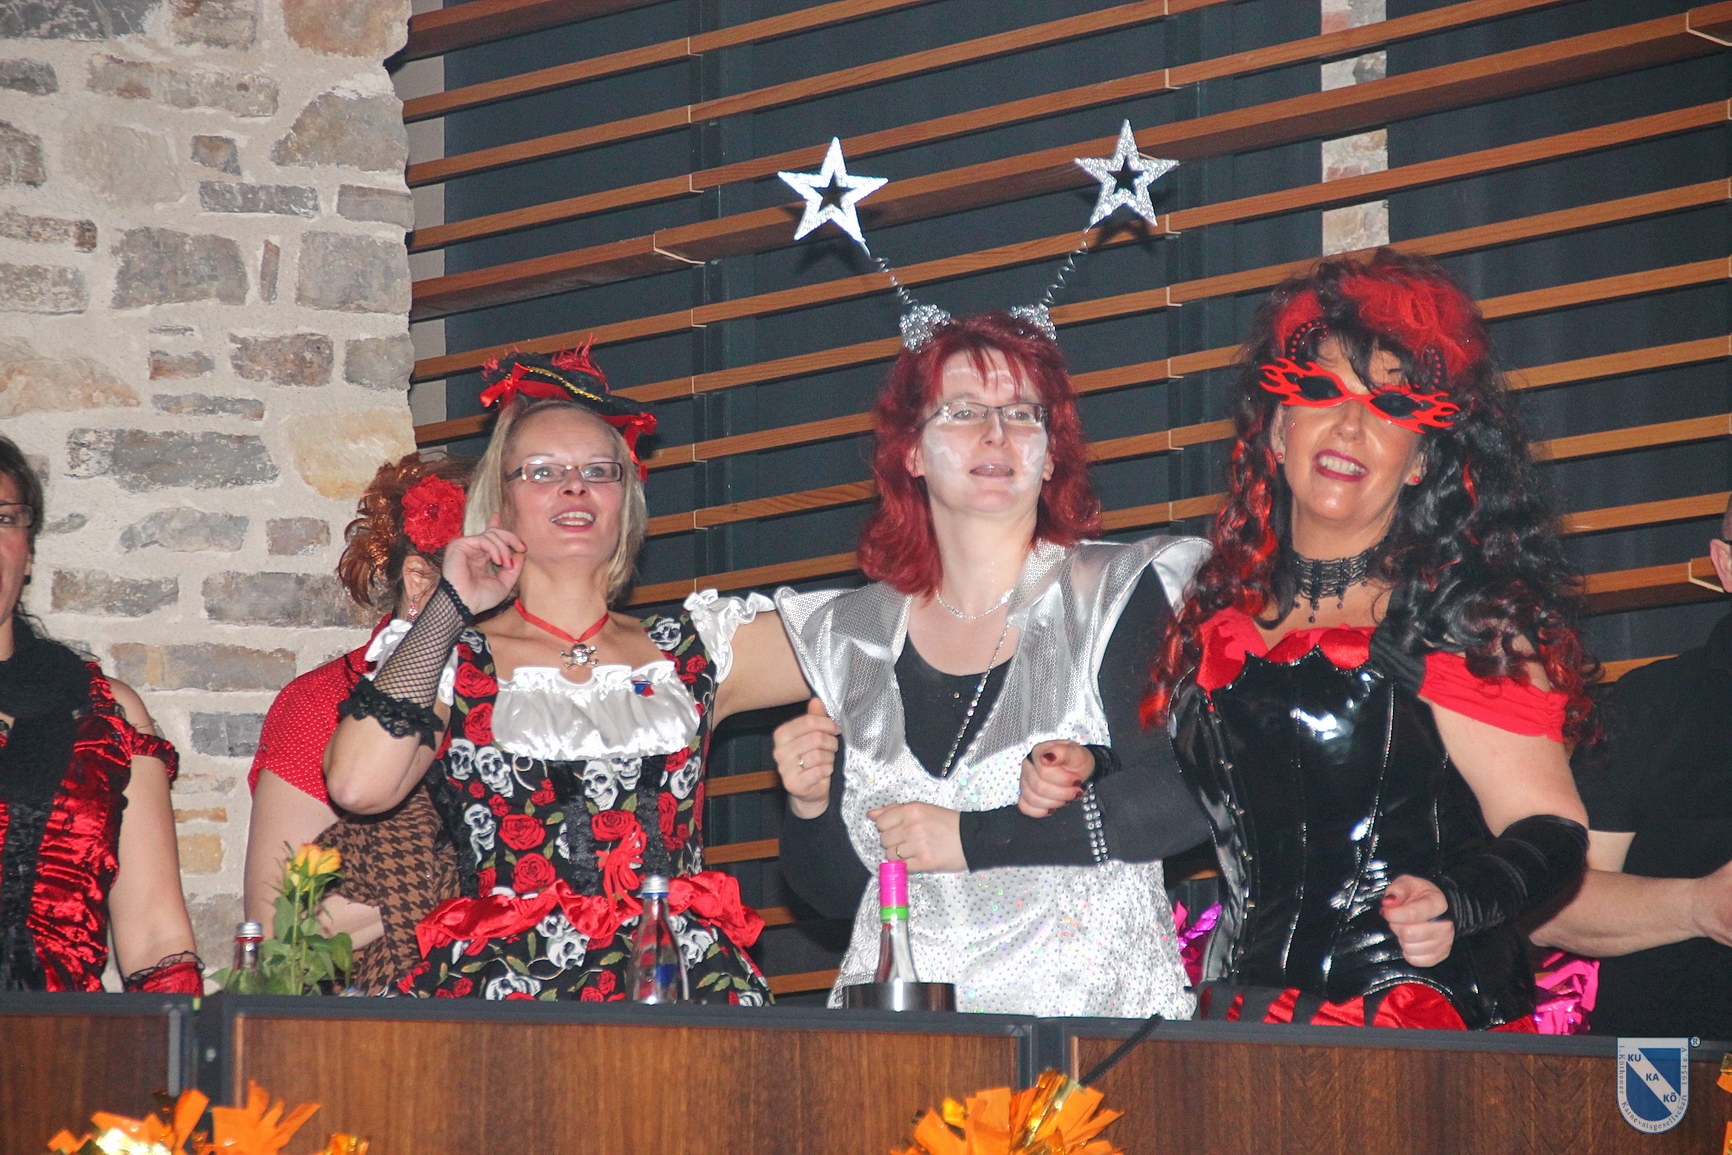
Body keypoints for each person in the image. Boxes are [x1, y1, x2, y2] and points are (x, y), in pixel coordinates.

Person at [1143, 248, 1593, 1030]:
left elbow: (1552, 830)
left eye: (1390, 406)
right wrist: (1089, 765)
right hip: (1233, 1026)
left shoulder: (1461, 626)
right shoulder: (1216, 623)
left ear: (1420, 460)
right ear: (1278, 428)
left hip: (1409, 1027)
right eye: (1321, 392)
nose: (1350, 424)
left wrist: (1456, 900)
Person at [325, 347, 809, 1001]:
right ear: (499, 509)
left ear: (625, 502)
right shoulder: (457, 658)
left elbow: (894, 635)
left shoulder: (698, 647)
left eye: (597, 471)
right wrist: (449, 606)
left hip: (683, 982)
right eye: (543, 471)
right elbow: (357, 785)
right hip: (510, 994)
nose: (574, 486)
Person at [772, 310, 1207, 1017]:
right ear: (911, 452)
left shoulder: (1113, 592)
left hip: (1084, 1040)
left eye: (1022, 413)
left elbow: (1191, 797)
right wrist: (809, 804)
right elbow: (837, 896)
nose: (997, 433)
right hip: (898, 1046)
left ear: (1051, 454)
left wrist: (974, 838)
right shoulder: (849, 634)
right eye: (964, 410)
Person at [243, 451, 467, 992]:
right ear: (421, 580)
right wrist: (467, 874)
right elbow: (282, 935)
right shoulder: (326, 700)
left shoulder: (555, 694)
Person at [0, 434, 201, 993]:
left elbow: (157, 937)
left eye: (2, 518)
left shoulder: (104, 714)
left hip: (61, 1038)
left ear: (28, 551)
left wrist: (181, 1039)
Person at [1530, 496, 1732, 1040]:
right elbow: (1553, 909)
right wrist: (1699, 906)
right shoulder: (1650, 704)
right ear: (1725, 563)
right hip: (1672, 1067)